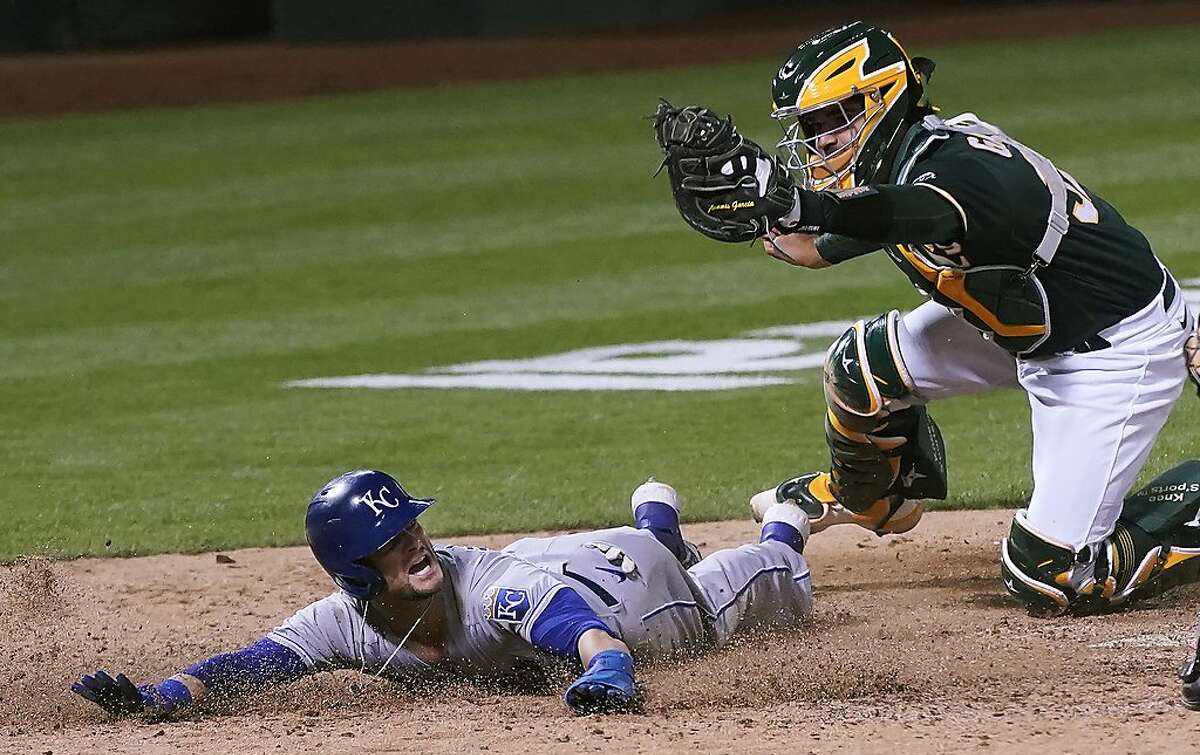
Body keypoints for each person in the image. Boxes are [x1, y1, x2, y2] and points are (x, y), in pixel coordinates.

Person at [652, 21, 1200, 617]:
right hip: (1024, 328)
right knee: (860, 369)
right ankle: (866, 495)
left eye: (827, 121)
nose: (816, 143)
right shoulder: (889, 163)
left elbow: (910, 213)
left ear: (880, 100)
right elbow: (811, 244)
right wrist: (765, 214)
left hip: (1112, 349)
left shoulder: (960, 168)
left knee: (1055, 573)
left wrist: (804, 203)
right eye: (807, 129)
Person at [72, 470, 813, 718]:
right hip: (558, 559)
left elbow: (590, 639)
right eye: (392, 540)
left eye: (411, 527)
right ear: (357, 573)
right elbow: (256, 663)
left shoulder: (497, 596)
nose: (415, 541)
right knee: (637, 540)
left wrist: (609, 671)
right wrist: (167, 694)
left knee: (758, 589)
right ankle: (659, 515)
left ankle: (783, 521)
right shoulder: (347, 621)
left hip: (641, 595)